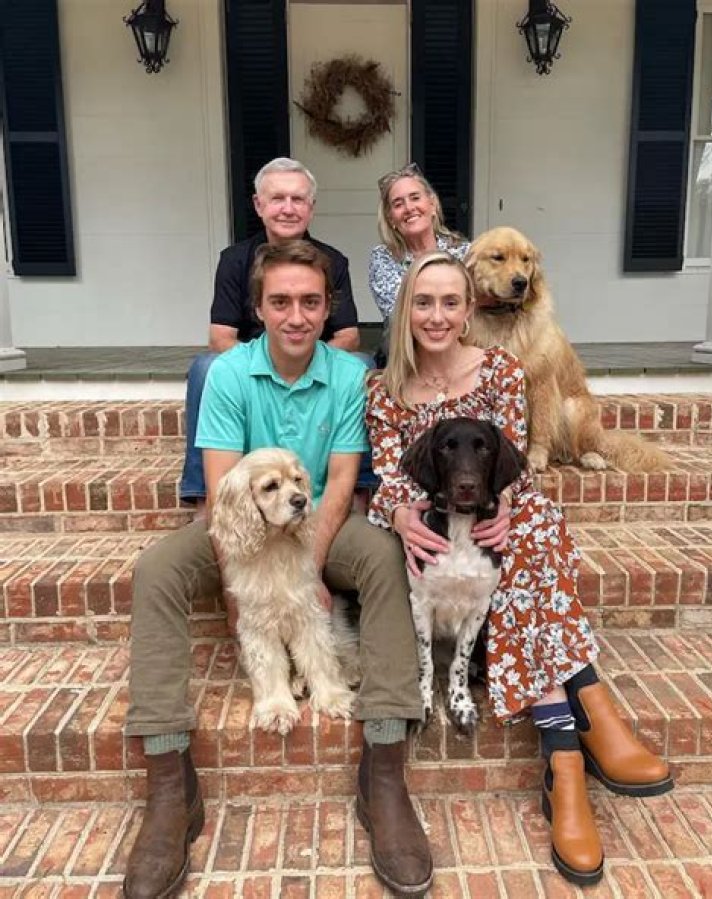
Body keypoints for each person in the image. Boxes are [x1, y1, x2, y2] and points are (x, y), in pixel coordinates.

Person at [123, 241, 432, 899]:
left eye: (311, 302)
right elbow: (220, 490)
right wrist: (239, 587)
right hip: (241, 526)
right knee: (156, 571)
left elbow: (342, 480)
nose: (297, 315)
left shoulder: (349, 374)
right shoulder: (229, 373)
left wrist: (308, 570)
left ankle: (383, 766)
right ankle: (169, 781)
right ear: (259, 309)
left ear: (328, 308)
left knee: (382, 555)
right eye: (281, 301)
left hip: (318, 523)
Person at [365, 252, 673, 888]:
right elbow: (390, 475)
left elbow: (513, 462)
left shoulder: (500, 370)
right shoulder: (385, 387)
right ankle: (588, 717)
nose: (437, 315)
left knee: (530, 528)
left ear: (469, 310)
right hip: (428, 522)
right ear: (405, 311)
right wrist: (398, 513)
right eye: (424, 302)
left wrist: (503, 506)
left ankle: (565, 752)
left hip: (498, 510)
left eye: (451, 302)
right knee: (525, 539)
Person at [180, 157, 361, 507]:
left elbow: (349, 335)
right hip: (252, 363)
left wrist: (308, 361)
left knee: (362, 367)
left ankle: (359, 489)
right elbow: (220, 336)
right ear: (258, 205)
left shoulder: (332, 261)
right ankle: (203, 494)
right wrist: (261, 367)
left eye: (298, 199)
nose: (288, 208)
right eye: (278, 198)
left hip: (314, 358)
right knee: (206, 368)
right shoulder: (234, 260)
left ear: (311, 208)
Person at [369, 162, 469, 324]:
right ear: (390, 218)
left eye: (415, 198)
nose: (409, 208)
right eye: (398, 204)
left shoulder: (463, 252)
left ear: (432, 205)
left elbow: (474, 306)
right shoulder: (383, 257)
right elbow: (398, 314)